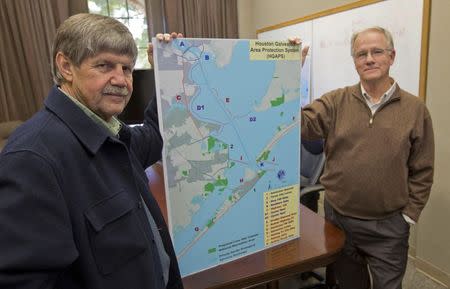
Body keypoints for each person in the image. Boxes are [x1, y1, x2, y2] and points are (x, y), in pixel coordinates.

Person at [0, 13, 183, 289]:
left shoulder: (111, 131)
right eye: (105, 65)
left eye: (127, 68)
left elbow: (155, 135)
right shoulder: (31, 160)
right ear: (66, 66)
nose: (121, 80)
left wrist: (166, 71)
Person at [295, 26, 434, 289]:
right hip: (339, 221)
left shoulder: (415, 109)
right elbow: (297, 124)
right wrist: (289, 74)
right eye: (361, 54)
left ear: (391, 56)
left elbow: (423, 168)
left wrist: (409, 216)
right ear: (355, 62)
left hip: (389, 228)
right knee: (349, 285)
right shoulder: (336, 101)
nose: (369, 58)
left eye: (377, 51)